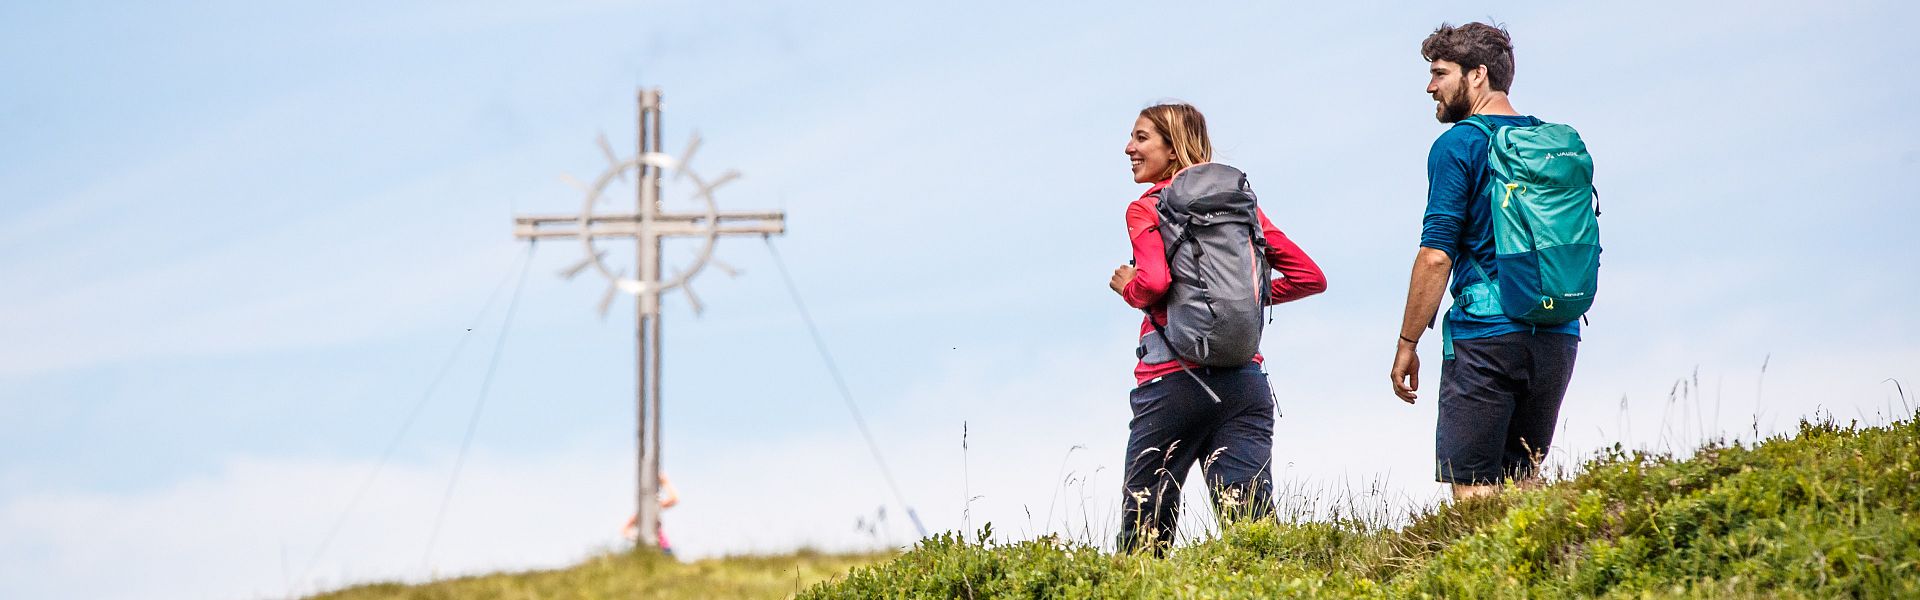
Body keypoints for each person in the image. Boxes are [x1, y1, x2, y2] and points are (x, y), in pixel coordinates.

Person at [1109, 102, 1327, 554]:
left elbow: (1154, 283)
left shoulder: (1146, 208)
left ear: (1172, 149)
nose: (1129, 147)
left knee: (1144, 540)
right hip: (1245, 382)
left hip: (1172, 384)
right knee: (1253, 533)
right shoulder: (1241, 209)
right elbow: (1310, 277)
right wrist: (1255, 295)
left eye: (1142, 138)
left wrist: (1128, 289)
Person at [1389, 22, 1581, 501]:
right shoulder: (1547, 142)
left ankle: (1484, 580)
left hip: (1487, 335)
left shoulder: (1459, 144)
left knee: (1473, 495)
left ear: (1477, 75)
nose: (1430, 87)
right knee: (1524, 491)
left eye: (1439, 73)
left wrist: (1408, 342)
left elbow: (1436, 256)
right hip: (1558, 333)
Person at [622, 473, 680, 555]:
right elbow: (624, 530)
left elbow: (674, 499)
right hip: (649, 549)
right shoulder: (640, 514)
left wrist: (665, 482)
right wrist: (640, 537)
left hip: (663, 548)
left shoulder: (655, 507)